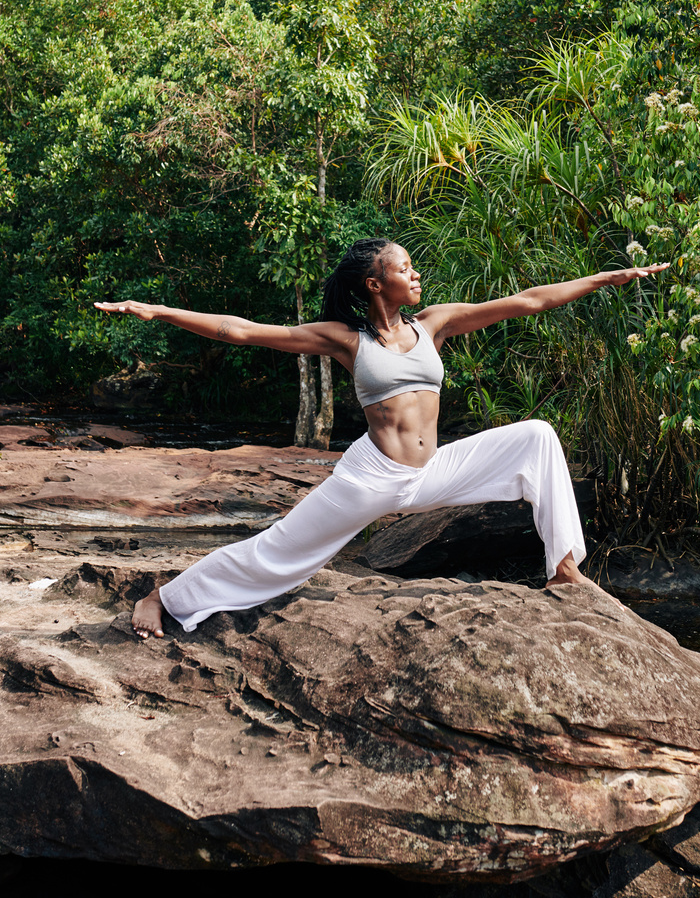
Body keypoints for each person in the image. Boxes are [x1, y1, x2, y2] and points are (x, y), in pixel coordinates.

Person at [95, 238, 667, 638]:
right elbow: (239, 331)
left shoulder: (434, 323)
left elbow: (528, 301)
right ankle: (163, 599)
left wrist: (601, 279)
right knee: (277, 554)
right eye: (405, 268)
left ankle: (562, 570)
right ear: (375, 283)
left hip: (431, 472)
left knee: (537, 436)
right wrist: (159, 310)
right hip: (370, 479)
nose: (416, 275)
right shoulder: (346, 338)